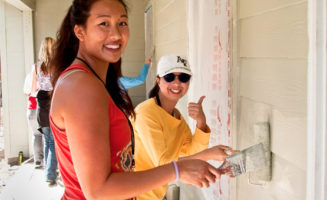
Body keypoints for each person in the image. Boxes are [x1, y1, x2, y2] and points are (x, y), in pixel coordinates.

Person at [49, 0, 226, 199]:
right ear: (80, 32)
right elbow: (97, 192)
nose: (116, 34)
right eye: (103, 23)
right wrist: (178, 170)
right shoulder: (82, 86)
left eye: (122, 23)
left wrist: (201, 134)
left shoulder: (98, 82)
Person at [133, 54, 232, 200]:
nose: (177, 83)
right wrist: (208, 155)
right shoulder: (147, 113)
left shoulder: (175, 115)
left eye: (183, 78)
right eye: (169, 77)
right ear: (158, 80)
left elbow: (191, 150)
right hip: (133, 195)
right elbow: (163, 165)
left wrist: (201, 123)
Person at [32, 37, 58, 186]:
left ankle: (49, 171)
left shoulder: (36, 66)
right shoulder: (57, 66)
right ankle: (50, 174)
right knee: (54, 141)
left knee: (48, 140)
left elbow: (34, 88)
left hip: (41, 104)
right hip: (53, 103)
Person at [24, 70, 43, 168]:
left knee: (36, 135)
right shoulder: (46, 76)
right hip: (43, 109)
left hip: (31, 110)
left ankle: (37, 161)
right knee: (49, 138)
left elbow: (26, 93)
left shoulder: (29, 76)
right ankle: (50, 163)